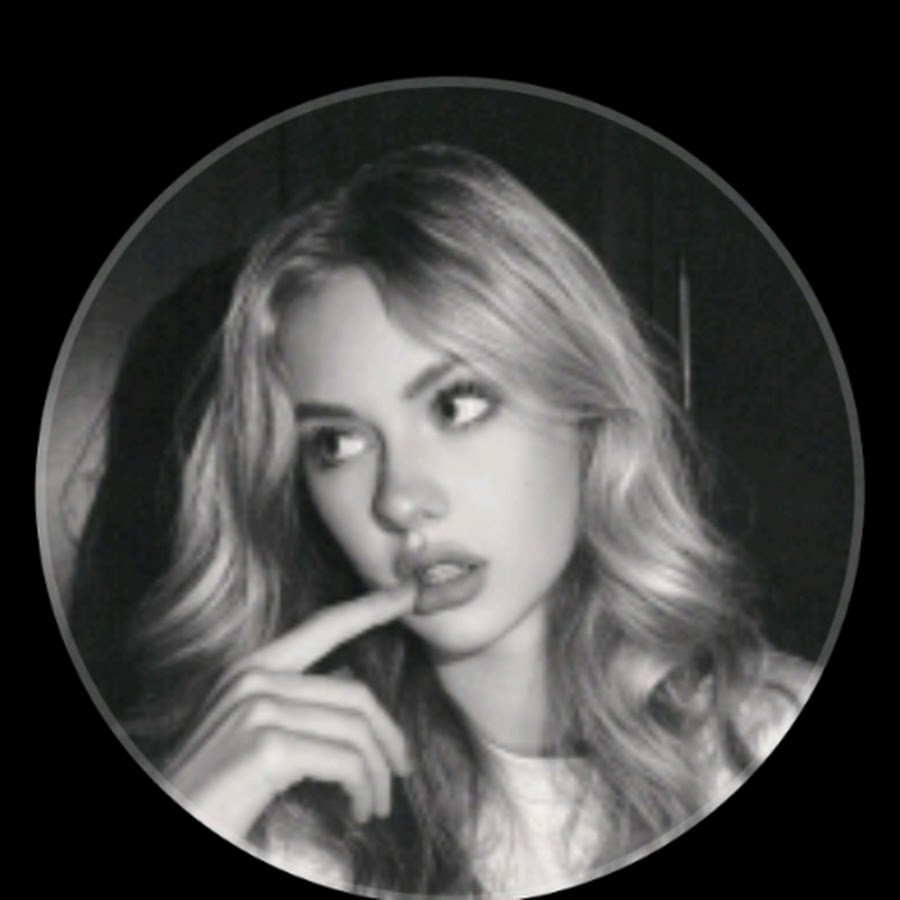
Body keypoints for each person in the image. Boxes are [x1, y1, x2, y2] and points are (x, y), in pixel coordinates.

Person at [69, 143, 816, 896]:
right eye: (337, 443)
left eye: (457, 405)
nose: (398, 500)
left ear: (586, 409)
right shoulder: (287, 821)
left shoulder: (761, 737)